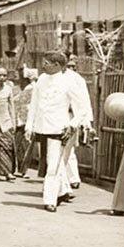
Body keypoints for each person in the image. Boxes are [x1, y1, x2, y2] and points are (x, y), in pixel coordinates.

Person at [25, 50, 87, 212]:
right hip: (41, 128)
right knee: (53, 163)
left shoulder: (68, 82)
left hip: (59, 129)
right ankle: (62, 191)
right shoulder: (41, 80)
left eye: (46, 63)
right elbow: (34, 104)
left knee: (53, 165)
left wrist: (72, 125)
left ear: (57, 65)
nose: (42, 65)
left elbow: (81, 109)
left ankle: (50, 200)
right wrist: (29, 125)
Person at [62, 55, 94, 192]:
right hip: (57, 117)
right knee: (64, 150)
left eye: (72, 66)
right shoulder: (51, 77)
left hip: (72, 117)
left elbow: (84, 102)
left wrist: (87, 123)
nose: (70, 68)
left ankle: (70, 180)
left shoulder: (77, 79)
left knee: (67, 149)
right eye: (68, 65)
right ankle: (72, 179)